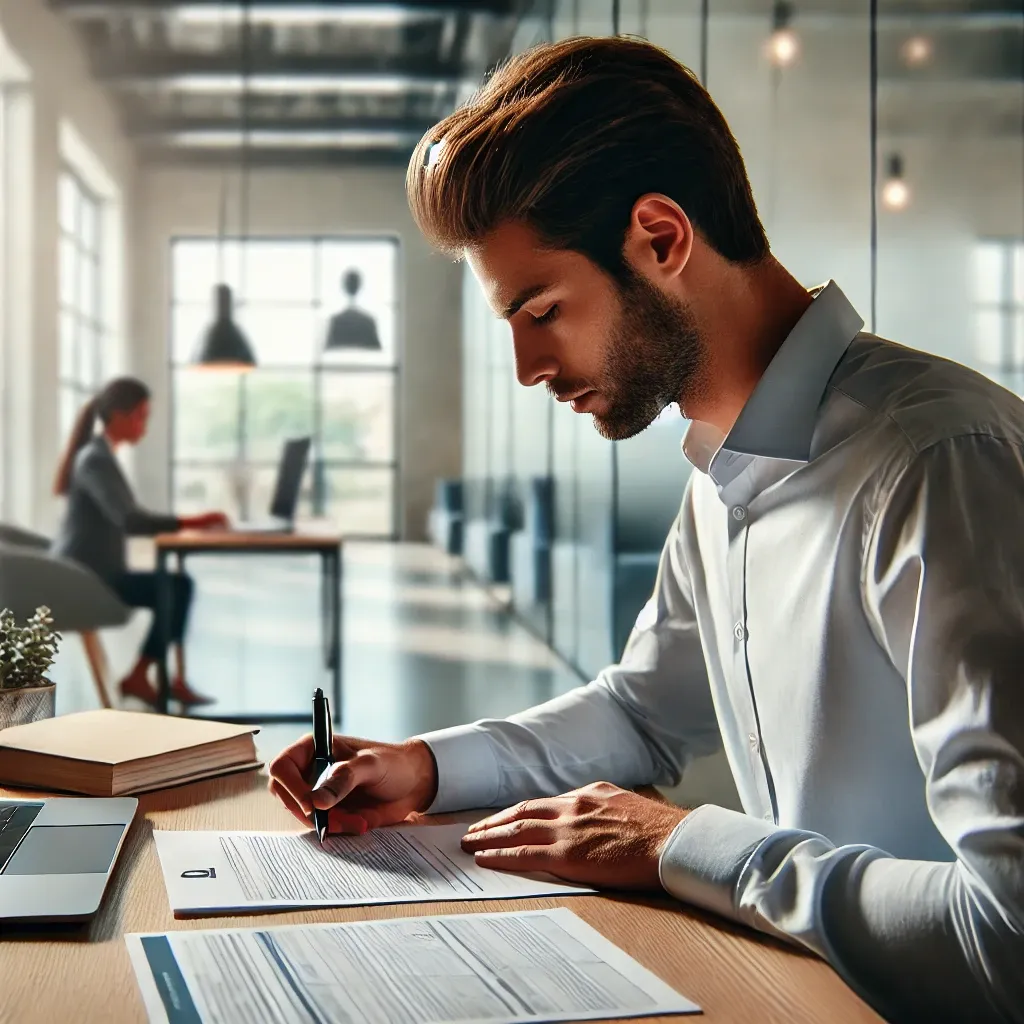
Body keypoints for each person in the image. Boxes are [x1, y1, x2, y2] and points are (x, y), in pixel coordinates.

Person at [269, 36, 1024, 1024]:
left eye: (541, 309)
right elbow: (640, 713)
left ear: (661, 238)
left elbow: (1005, 938)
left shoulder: (938, 464)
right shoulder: (721, 470)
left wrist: (677, 843)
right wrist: (426, 767)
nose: (527, 368)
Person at [53, 377, 228, 708]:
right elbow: (131, 520)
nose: (144, 426)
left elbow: (130, 516)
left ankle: (152, 676)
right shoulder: (95, 459)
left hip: (95, 571)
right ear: (119, 415)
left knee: (178, 587)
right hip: (87, 578)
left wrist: (188, 522)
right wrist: (194, 521)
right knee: (176, 588)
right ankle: (147, 676)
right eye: (141, 416)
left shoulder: (99, 455)